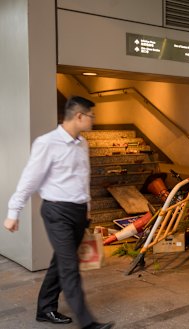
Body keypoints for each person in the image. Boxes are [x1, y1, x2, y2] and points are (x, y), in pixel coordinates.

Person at [3, 96, 114, 329]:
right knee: (69, 267)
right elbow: (29, 179)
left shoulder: (82, 143)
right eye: (91, 116)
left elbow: (83, 179)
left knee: (61, 263)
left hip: (77, 211)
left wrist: (87, 208)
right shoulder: (47, 143)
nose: (93, 121)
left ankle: (45, 308)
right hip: (56, 211)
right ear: (79, 116)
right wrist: (14, 211)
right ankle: (88, 323)